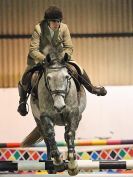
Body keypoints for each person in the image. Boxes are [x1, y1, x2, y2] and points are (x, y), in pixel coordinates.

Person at [18, 6, 107, 116]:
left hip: (59, 57)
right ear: (47, 21)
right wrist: (44, 58)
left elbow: (69, 46)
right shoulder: (38, 29)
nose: (57, 23)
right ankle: (22, 102)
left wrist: (66, 55)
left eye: (59, 21)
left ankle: (92, 88)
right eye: (54, 21)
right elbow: (33, 50)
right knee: (26, 76)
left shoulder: (64, 28)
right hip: (40, 58)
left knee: (77, 67)